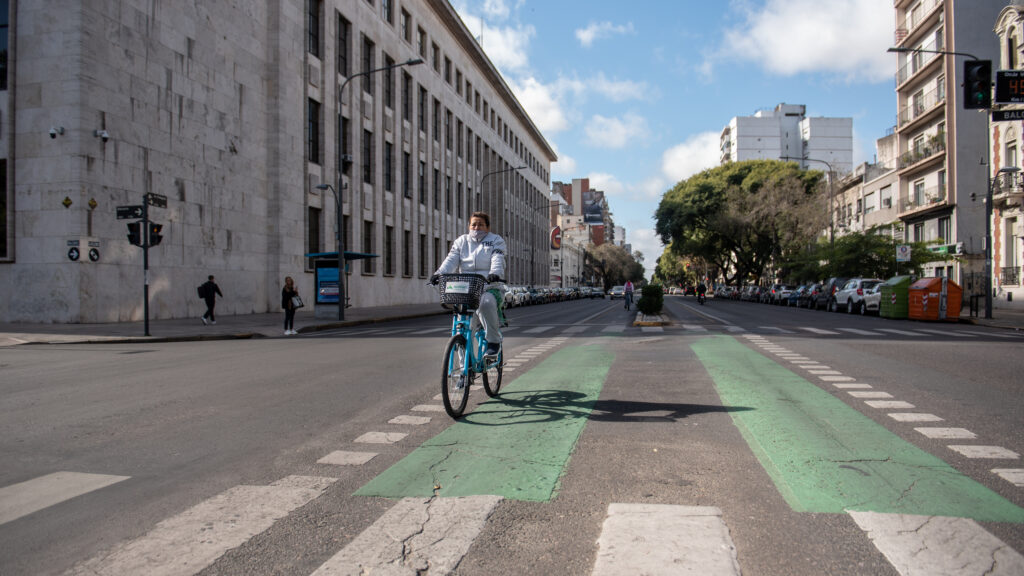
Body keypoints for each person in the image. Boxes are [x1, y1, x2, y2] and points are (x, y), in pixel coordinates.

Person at [431, 212, 506, 359]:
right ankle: (463, 370)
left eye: (481, 224)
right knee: (461, 329)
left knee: (486, 303)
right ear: (469, 226)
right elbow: (451, 259)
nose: (477, 227)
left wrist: (495, 273)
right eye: (474, 224)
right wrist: (439, 273)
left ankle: (493, 342)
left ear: (488, 227)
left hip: (489, 286)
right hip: (466, 288)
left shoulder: (496, 240)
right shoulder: (461, 241)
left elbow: (498, 257)